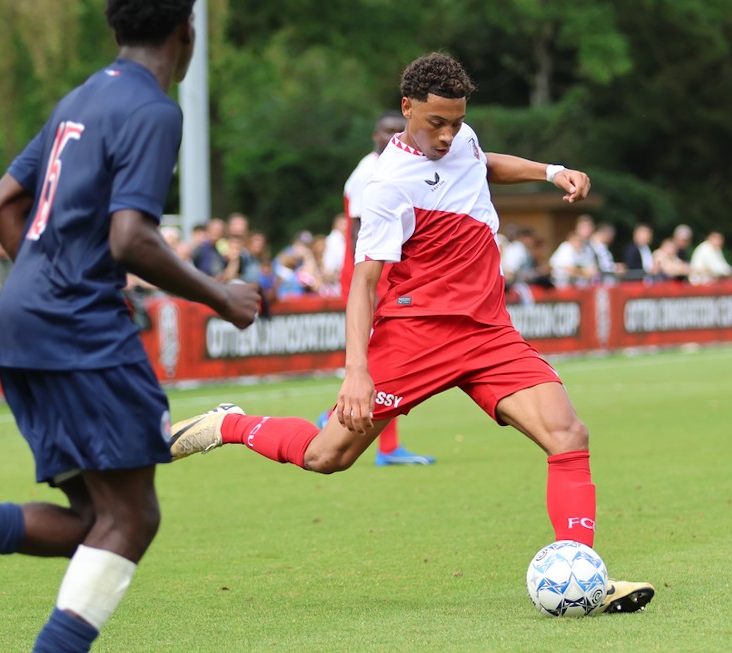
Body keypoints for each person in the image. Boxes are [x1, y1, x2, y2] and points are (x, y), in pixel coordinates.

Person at [169, 52, 654, 614]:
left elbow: (482, 161)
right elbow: (362, 285)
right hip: (415, 333)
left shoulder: (461, 137)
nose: (448, 135)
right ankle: (229, 423)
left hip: (487, 333)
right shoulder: (386, 185)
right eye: (436, 124)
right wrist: (356, 371)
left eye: (456, 121)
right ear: (407, 109)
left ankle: (580, 576)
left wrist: (549, 172)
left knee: (568, 435)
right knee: (328, 457)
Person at [0, 5, 260, 653]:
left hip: (20, 320)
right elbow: (130, 237)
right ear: (185, 33)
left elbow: (0, 206)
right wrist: (222, 295)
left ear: (116, 29)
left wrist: (48, 280)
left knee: (94, 521)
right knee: (132, 518)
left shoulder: (81, 96)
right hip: (77, 327)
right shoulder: (154, 109)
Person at [336, 110, 435, 466]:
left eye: (400, 130)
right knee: (387, 354)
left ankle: (335, 420)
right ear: (375, 135)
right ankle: (386, 446)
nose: (395, 135)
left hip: (382, 272)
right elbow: (358, 234)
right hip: (369, 275)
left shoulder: (394, 167)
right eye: (388, 131)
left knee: (390, 355)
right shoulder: (370, 172)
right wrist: (366, 283)